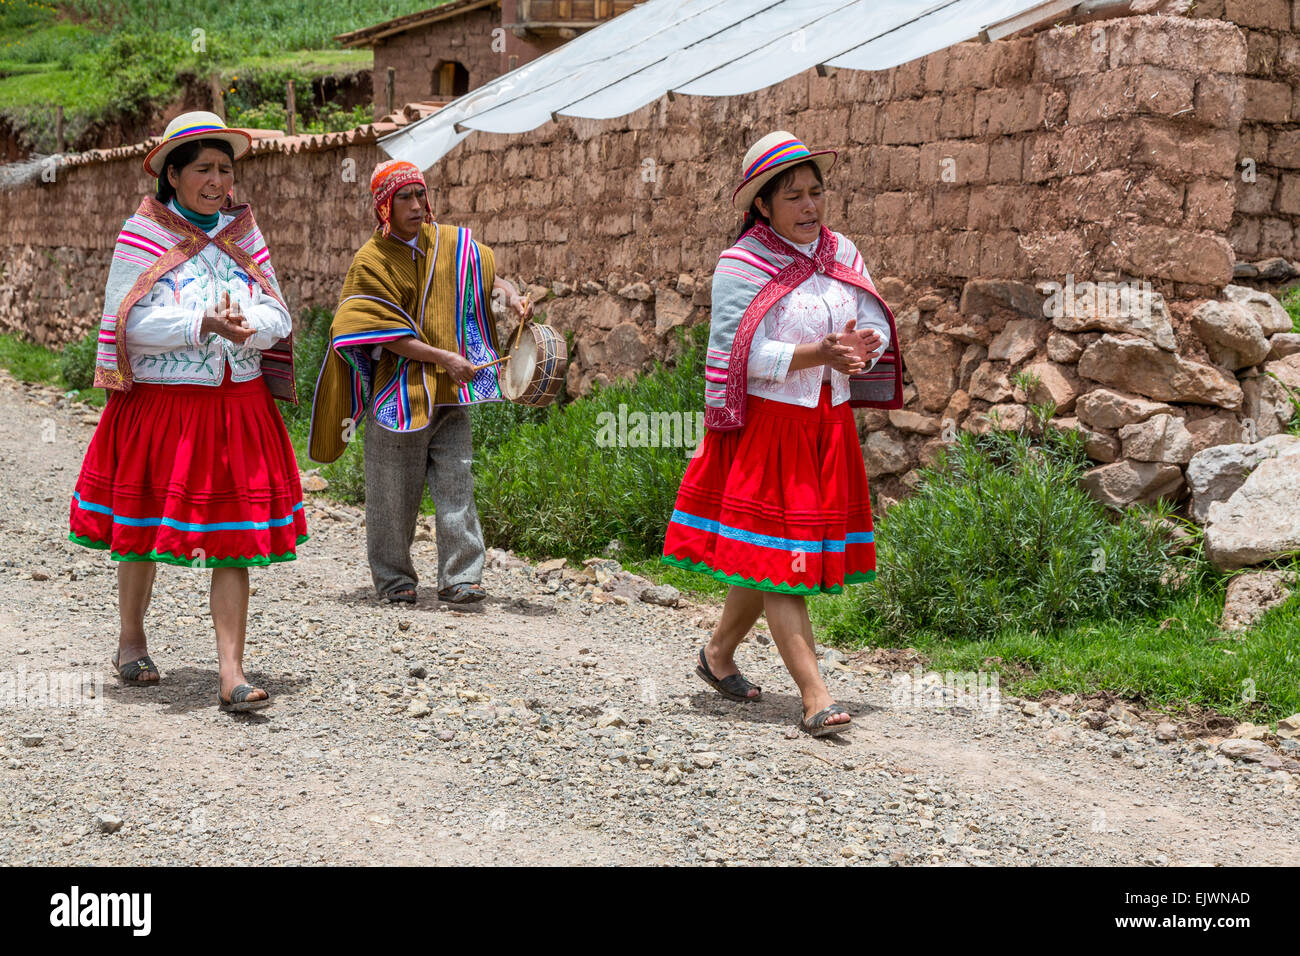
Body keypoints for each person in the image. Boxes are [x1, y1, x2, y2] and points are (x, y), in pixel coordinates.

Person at [662, 131, 903, 737]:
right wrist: (814, 353)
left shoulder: (841, 252)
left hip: (826, 427)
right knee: (783, 562)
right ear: (763, 205)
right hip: (771, 429)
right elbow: (737, 355)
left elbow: (870, 320)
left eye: (815, 192)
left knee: (764, 560)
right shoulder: (742, 266)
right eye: (793, 196)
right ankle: (815, 696)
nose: (809, 206)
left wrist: (859, 352)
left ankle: (717, 656)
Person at [69, 110, 306, 713]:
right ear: (172, 174)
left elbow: (279, 313)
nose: (218, 180)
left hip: (236, 404)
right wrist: (200, 322)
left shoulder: (244, 234)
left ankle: (231, 674)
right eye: (203, 168)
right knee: (143, 530)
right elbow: (128, 324)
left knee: (233, 540)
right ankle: (131, 640)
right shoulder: (142, 234)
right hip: (163, 406)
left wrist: (252, 326)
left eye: (225, 169)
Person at [308, 160, 532, 605]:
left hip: (451, 392)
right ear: (384, 207)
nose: (415, 205)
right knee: (392, 496)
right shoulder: (370, 261)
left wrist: (508, 293)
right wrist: (444, 357)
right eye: (403, 198)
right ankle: (394, 579)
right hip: (399, 395)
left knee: (457, 485)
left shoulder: (452, 244)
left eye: (419, 195)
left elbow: (486, 274)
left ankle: (460, 577)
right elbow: (380, 329)